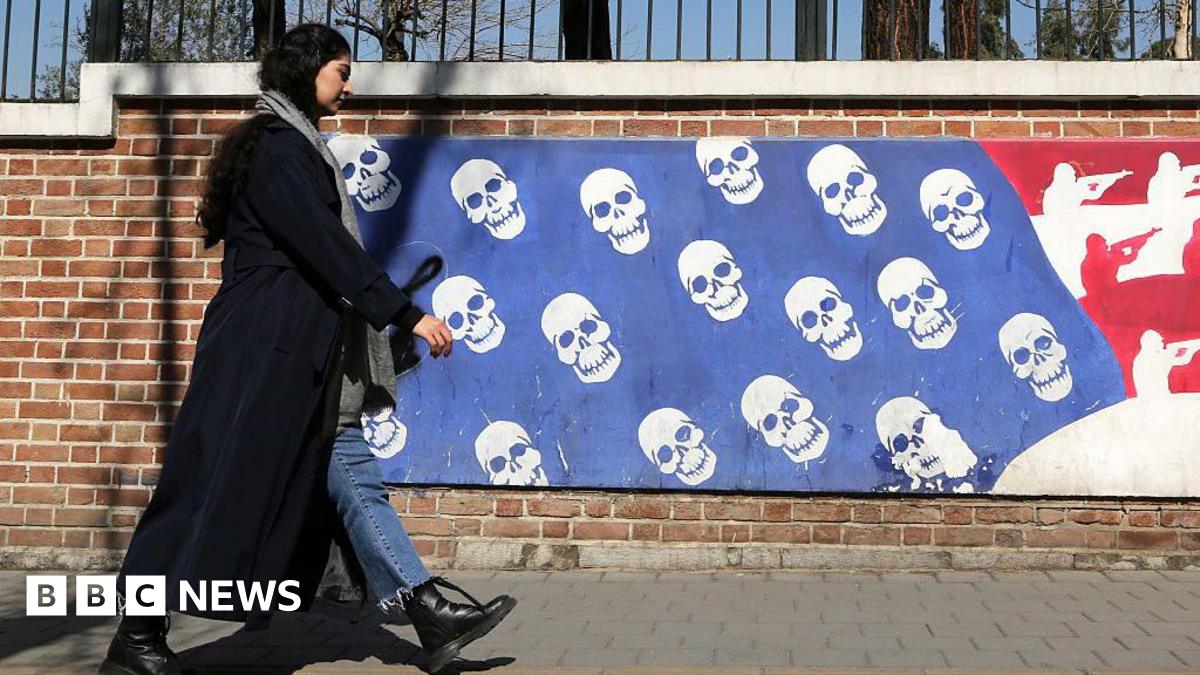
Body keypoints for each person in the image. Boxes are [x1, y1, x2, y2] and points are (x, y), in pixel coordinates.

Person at [99, 23, 515, 675]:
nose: (349, 84)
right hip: (260, 349)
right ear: (306, 72)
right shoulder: (279, 150)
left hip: (301, 346)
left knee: (346, 458)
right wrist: (404, 312)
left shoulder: (290, 144)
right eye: (341, 70)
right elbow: (325, 245)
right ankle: (138, 637)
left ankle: (429, 611)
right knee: (203, 483)